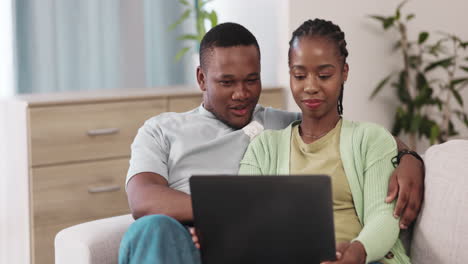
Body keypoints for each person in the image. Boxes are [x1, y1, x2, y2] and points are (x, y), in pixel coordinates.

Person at [119, 22, 423, 264]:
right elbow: (143, 200)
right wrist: (220, 218)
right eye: (227, 82)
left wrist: (410, 158)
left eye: (251, 80)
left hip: (246, 247)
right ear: (201, 79)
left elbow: (351, 135)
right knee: (152, 229)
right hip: (185, 243)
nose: (242, 94)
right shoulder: (162, 129)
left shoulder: (278, 127)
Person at [239, 19, 414, 264]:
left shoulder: (371, 139)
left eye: (324, 75)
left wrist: (358, 251)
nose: (310, 86)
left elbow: (384, 216)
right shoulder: (263, 147)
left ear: (344, 72)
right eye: (299, 75)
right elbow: (243, 216)